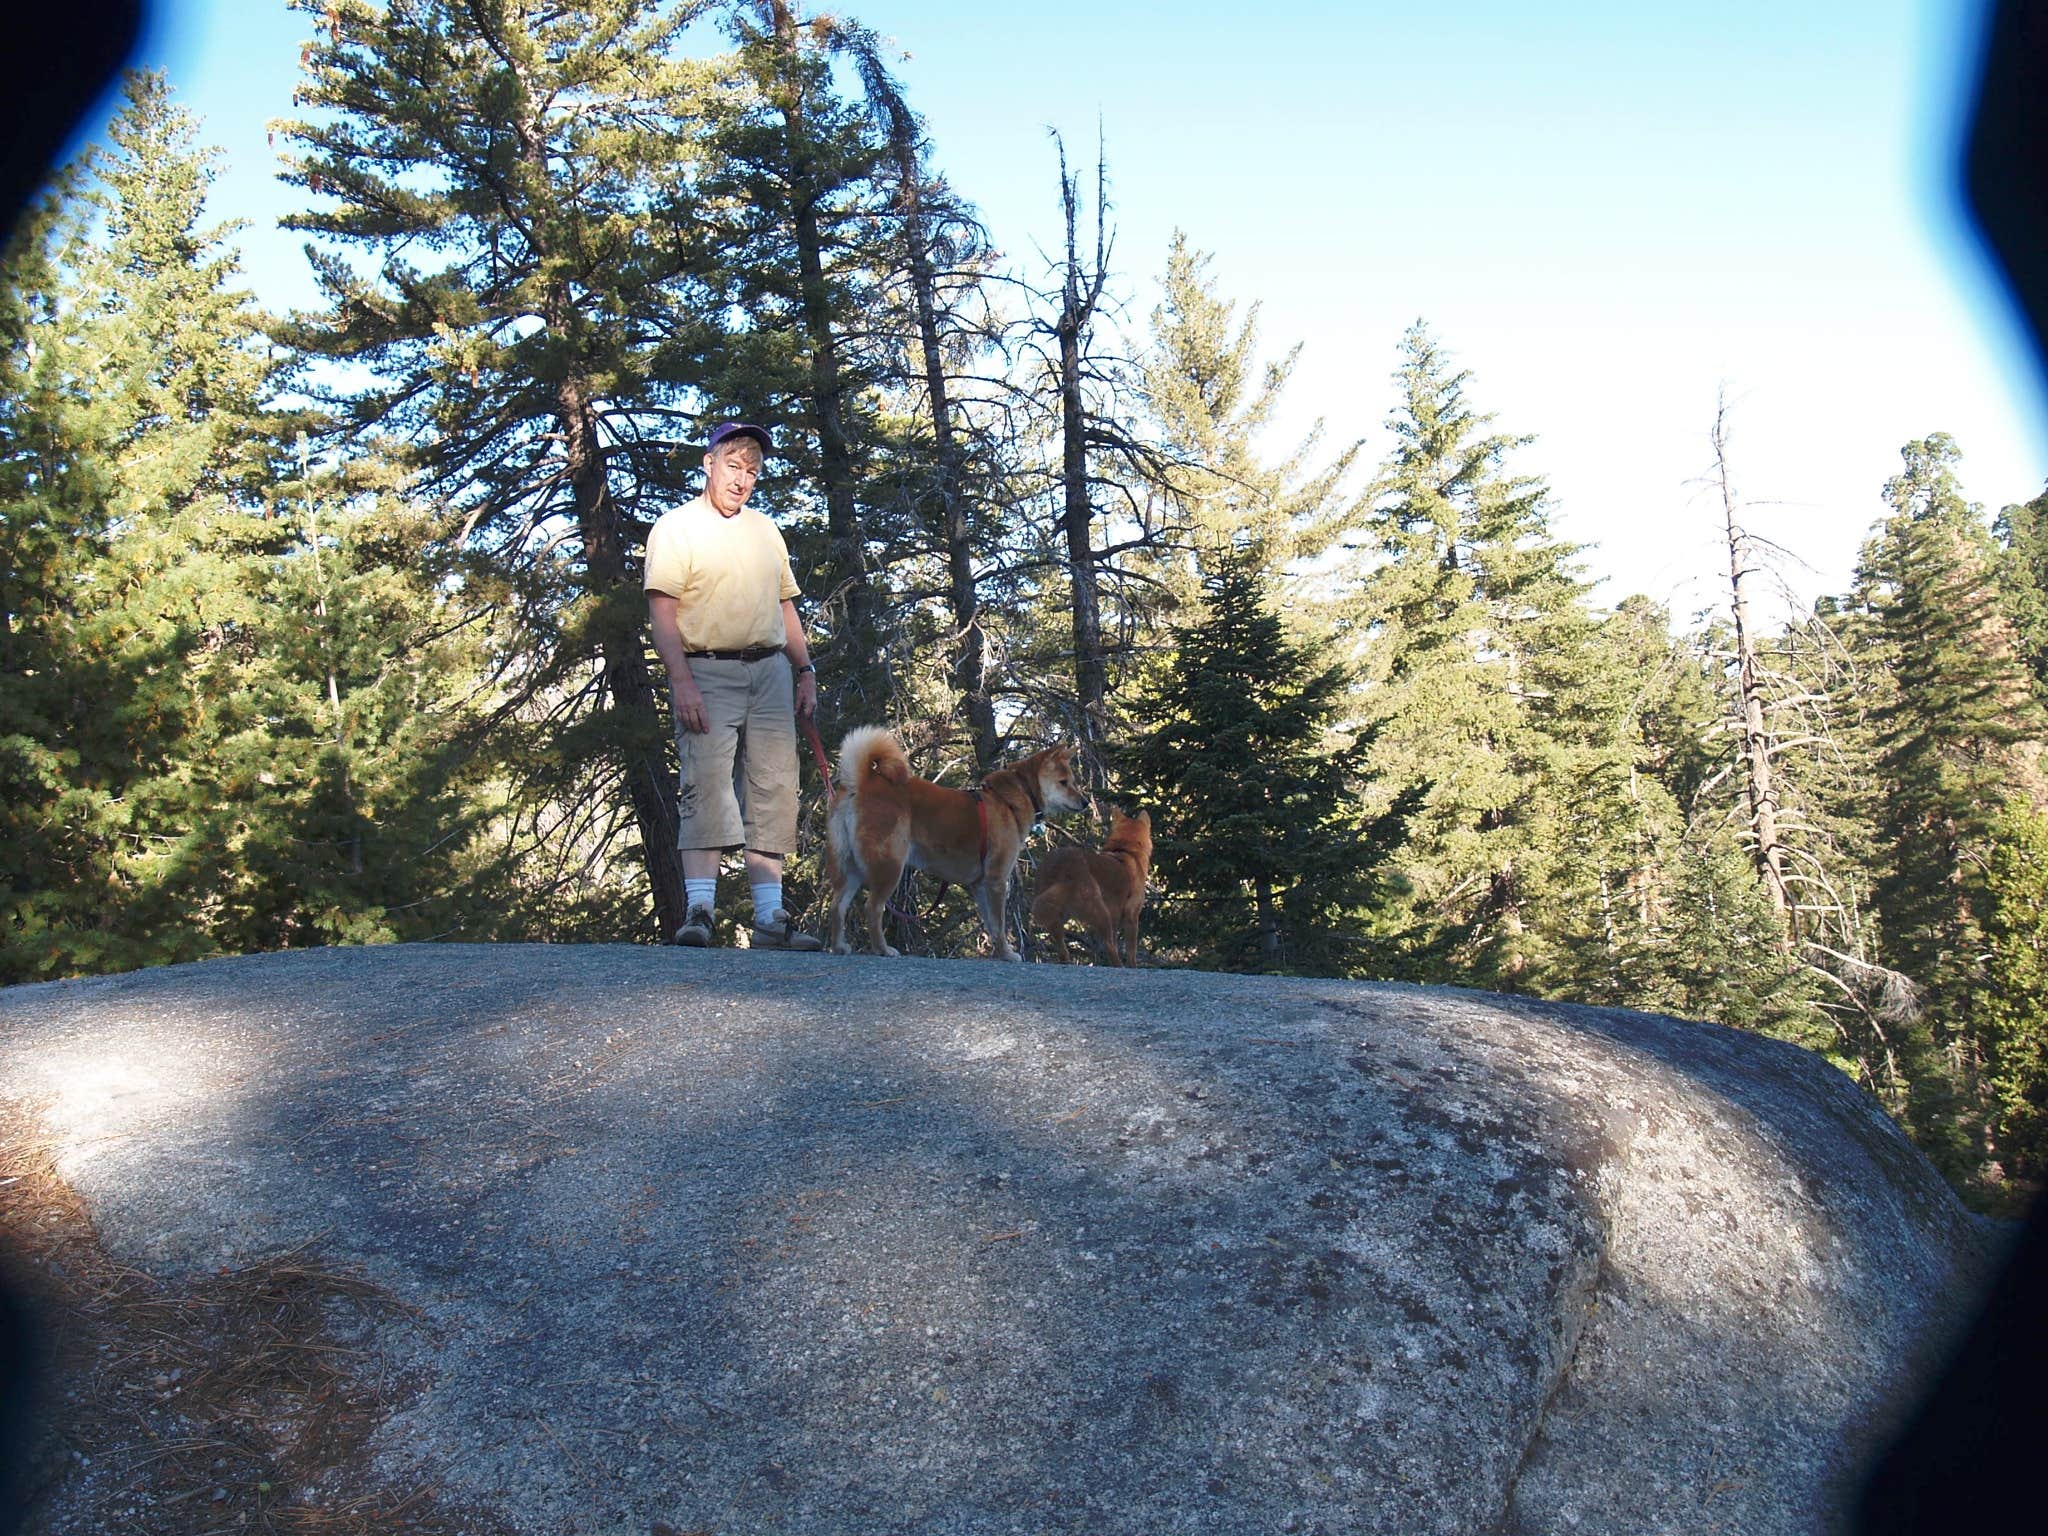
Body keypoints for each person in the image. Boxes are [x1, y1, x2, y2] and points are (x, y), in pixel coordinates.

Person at [644, 422, 823, 950]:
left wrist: (805, 669)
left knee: (774, 786)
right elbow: (662, 612)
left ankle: (770, 919)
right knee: (706, 783)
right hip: (706, 671)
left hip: (770, 672)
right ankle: (700, 911)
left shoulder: (766, 531)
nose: (742, 479)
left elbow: (784, 606)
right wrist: (681, 681)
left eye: (752, 471)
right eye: (733, 466)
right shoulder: (676, 528)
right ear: (709, 464)